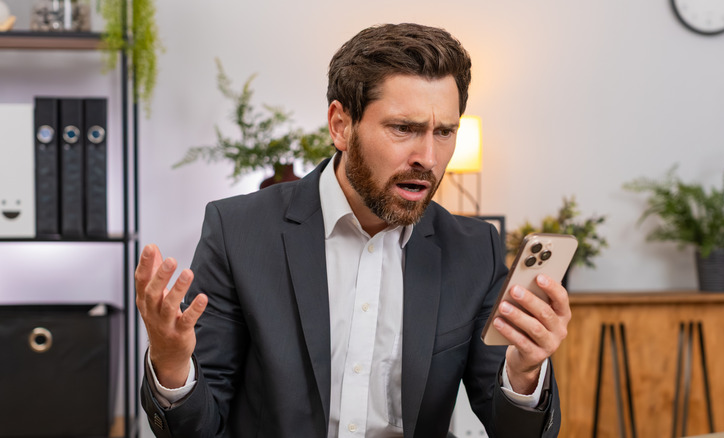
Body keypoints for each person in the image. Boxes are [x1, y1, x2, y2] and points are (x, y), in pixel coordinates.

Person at [136, 23, 570, 438]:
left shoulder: (473, 249)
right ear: (341, 125)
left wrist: (525, 371)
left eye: (445, 132)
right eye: (404, 128)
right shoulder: (239, 232)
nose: (429, 157)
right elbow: (198, 429)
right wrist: (172, 365)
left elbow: (512, 429)